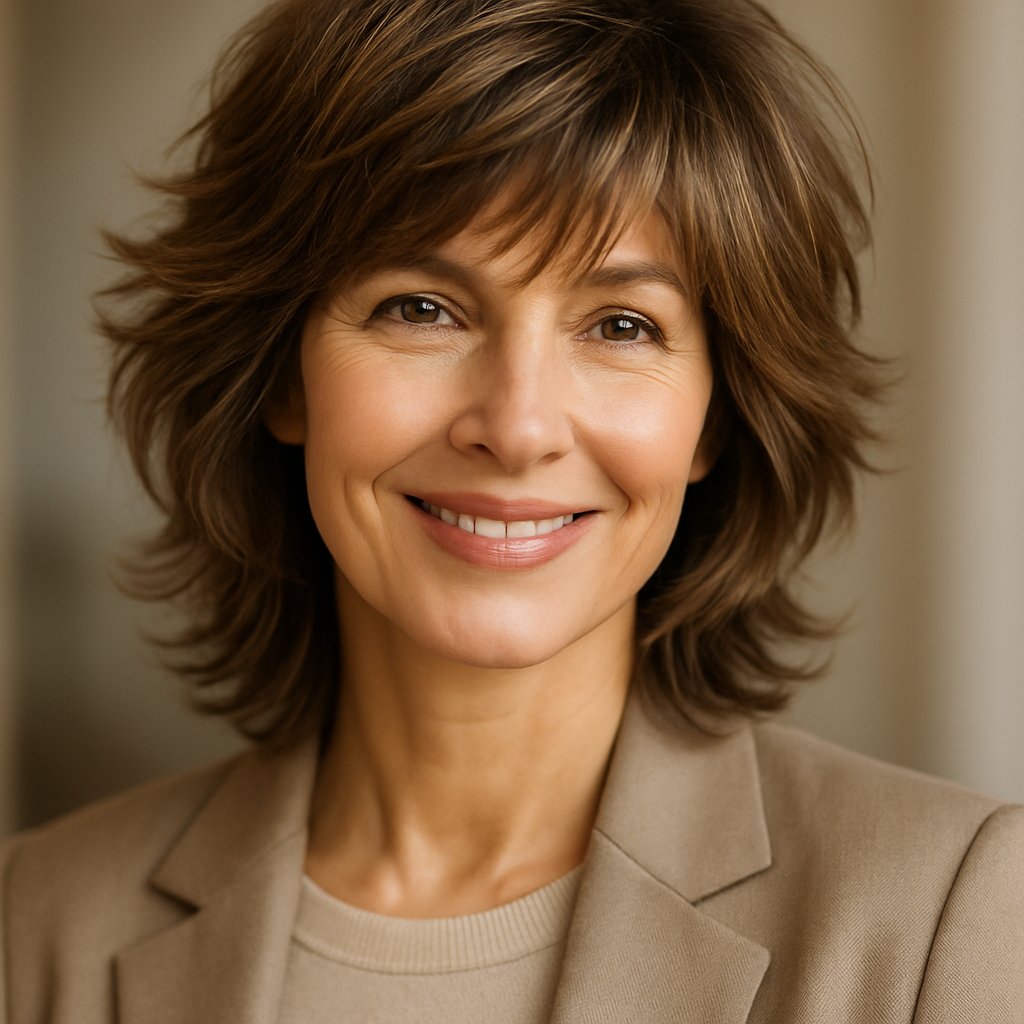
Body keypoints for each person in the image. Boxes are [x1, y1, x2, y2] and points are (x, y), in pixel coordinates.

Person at [2, 0, 1022, 1020]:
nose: (518, 423)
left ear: (715, 417)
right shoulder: (38, 926)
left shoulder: (945, 915)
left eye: (622, 325)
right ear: (281, 374)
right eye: (421, 307)